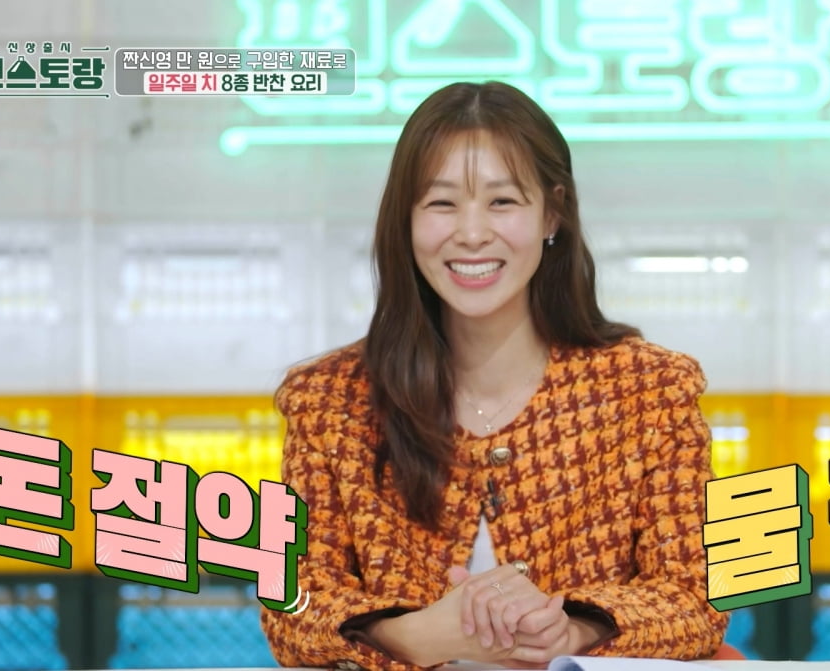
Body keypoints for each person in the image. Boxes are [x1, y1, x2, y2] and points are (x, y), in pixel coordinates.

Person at [261, 81, 730, 671]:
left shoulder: (649, 391)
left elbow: (697, 596)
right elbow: (291, 607)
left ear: (552, 213)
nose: (473, 232)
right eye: (441, 204)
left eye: (502, 202)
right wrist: (419, 637)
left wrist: (572, 632)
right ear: (405, 219)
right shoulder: (329, 402)